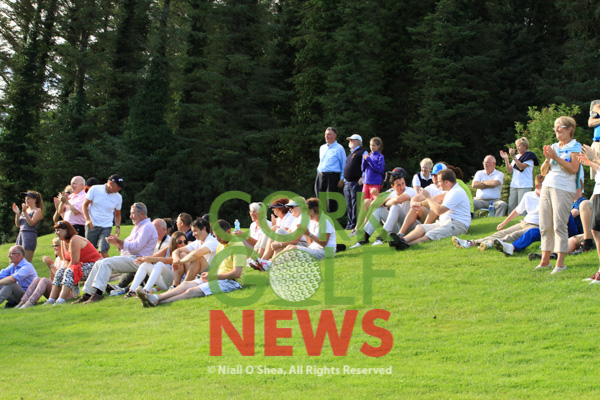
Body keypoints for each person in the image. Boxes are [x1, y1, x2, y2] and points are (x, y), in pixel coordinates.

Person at [136, 219, 244, 307]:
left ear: (228, 232)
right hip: (217, 277)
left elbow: (237, 273)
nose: (217, 239)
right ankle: (155, 297)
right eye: (215, 236)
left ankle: (157, 302)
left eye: (219, 236)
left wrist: (212, 276)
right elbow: (220, 267)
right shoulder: (221, 245)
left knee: (190, 291)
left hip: (231, 282)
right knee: (186, 284)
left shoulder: (238, 247)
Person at [75, 202, 158, 304]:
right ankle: (88, 294)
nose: (130, 216)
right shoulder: (138, 227)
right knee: (99, 262)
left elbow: (135, 247)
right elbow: (127, 246)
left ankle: (98, 294)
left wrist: (119, 241)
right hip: (132, 258)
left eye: (133, 213)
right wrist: (116, 243)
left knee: (106, 263)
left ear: (141, 214)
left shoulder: (147, 227)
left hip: (140, 260)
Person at [452, 174, 544, 252]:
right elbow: (517, 211)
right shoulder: (528, 195)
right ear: (537, 187)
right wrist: (504, 222)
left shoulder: (548, 198)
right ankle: (470, 243)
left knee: (513, 235)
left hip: (536, 225)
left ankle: (489, 244)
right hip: (524, 222)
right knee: (501, 233)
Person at [537, 116, 581, 273]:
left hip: (564, 188)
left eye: (560, 126)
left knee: (559, 225)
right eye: (555, 127)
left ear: (570, 129)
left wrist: (555, 157)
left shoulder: (575, 146)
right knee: (544, 224)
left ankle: (560, 264)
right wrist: (548, 159)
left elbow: (574, 169)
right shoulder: (554, 146)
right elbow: (543, 172)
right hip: (547, 186)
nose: (556, 130)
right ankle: (544, 262)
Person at [393, 169, 471, 250]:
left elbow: (439, 210)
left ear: (446, 182)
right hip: (444, 223)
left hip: (457, 225)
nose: (438, 184)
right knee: (420, 227)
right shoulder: (450, 191)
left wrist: (428, 197)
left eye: (439, 181)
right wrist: (420, 203)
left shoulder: (456, 192)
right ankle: (402, 239)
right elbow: (436, 200)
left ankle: (406, 245)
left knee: (430, 234)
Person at [350, 168, 417, 248]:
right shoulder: (391, 192)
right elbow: (375, 203)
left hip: (410, 227)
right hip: (396, 228)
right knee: (379, 210)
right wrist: (382, 197)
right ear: (393, 186)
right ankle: (363, 239)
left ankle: (381, 237)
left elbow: (398, 200)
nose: (402, 187)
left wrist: (385, 203)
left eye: (403, 183)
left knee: (395, 207)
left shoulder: (410, 190)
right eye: (398, 185)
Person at [43, 221, 104, 305]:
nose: (56, 233)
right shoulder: (63, 241)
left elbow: (75, 260)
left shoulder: (75, 239)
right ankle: (51, 299)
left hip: (96, 265)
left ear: (66, 230)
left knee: (70, 271)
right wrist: (66, 270)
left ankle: (61, 300)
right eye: (55, 230)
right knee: (60, 271)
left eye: (58, 230)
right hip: (80, 265)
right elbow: (65, 260)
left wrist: (67, 271)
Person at [126, 231, 188, 297]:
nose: (183, 244)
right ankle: (131, 291)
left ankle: (145, 291)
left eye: (185, 242)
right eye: (180, 242)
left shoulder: (184, 252)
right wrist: (143, 259)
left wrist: (150, 259)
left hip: (177, 282)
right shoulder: (168, 249)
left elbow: (168, 260)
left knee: (160, 264)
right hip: (165, 283)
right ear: (174, 243)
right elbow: (153, 257)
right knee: (145, 264)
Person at [83, 174, 123, 258]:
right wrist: (87, 220)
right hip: (92, 225)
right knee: (90, 251)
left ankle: (109, 266)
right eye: (118, 186)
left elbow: (117, 214)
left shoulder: (118, 197)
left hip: (106, 226)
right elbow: (85, 205)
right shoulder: (95, 189)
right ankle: (94, 266)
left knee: (103, 250)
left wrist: (118, 227)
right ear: (111, 183)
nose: (119, 189)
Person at [16, 239, 64, 308]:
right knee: (37, 279)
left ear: (63, 246)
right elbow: (53, 279)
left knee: (44, 280)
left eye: (56, 245)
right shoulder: (57, 259)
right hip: (55, 289)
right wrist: (49, 266)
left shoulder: (66, 260)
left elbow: (62, 279)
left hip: (64, 292)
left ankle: (30, 303)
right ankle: (22, 302)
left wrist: (51, 265)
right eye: (53, 246)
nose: (54, 248)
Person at [171, 217, 219, 286]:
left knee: (197, 258)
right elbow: (177, 250)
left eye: (195, 231)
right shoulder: (198, 242)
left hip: (211, 273)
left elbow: (195, 254)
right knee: (181, 254)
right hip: (199, 271)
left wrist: (180, 262)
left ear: (204, 228)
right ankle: (174, 285)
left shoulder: (212, 241)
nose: (193, 234)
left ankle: (184, 285)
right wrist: (176, 259)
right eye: (192, 231)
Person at [500, 138, 539, 213]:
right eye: (517, 146)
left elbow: (521, 167)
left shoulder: (529, 156)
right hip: (514, 185)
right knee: (512, 207)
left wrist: (513, 157)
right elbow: (509, 170)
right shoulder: (517, 156)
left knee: (522, 208)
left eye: (519, 146)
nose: (517, 148)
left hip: (524, 185)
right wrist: (506, 159)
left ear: (525, 146)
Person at [315, 127, 346, 213]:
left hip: (332, 177)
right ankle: (321, 220)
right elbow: (321, 162)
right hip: (320, 176)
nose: (326, 136)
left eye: (329, 134)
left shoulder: (339, 148)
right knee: (319, 201)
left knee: (331, 201)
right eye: (325, 134)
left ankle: (331, 220)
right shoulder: (322, 147)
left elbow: (344, 164)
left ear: (335, 136)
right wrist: (318, 174)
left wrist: (342, 179)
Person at [343, 134, 367, 230]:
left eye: (352, 140)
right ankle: (350, 224)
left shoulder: (363, 152)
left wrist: (363, 177)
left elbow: (366, 165)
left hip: (356, 182)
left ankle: (355, 224)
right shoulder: (350, 154)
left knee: (355, 204)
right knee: (349, 204)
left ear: (358, 141)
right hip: (347, 182)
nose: (350, 141)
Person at [12, 191, 43, 262]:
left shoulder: (37, 210)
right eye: (26, 198)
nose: (26, 200)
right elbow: (18, 225)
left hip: (29, 236)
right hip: (21, 234)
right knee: (16, 260)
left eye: (28, 198)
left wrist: (25, 212)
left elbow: (31, 223)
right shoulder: (25, 211)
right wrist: (17, 214)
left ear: (34, 200)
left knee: (26, 261)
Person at [361, 137, 385, 201]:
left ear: (379, 146)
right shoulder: (368, 155)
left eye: (374, 145)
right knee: (363, 202)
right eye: (370, 145)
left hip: (375, 182)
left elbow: (379, 169)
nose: (371, 147)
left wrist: (369, 160)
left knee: (373, 202)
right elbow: (362, 169)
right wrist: (364, 161)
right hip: (366, 182)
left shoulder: (380, 157)